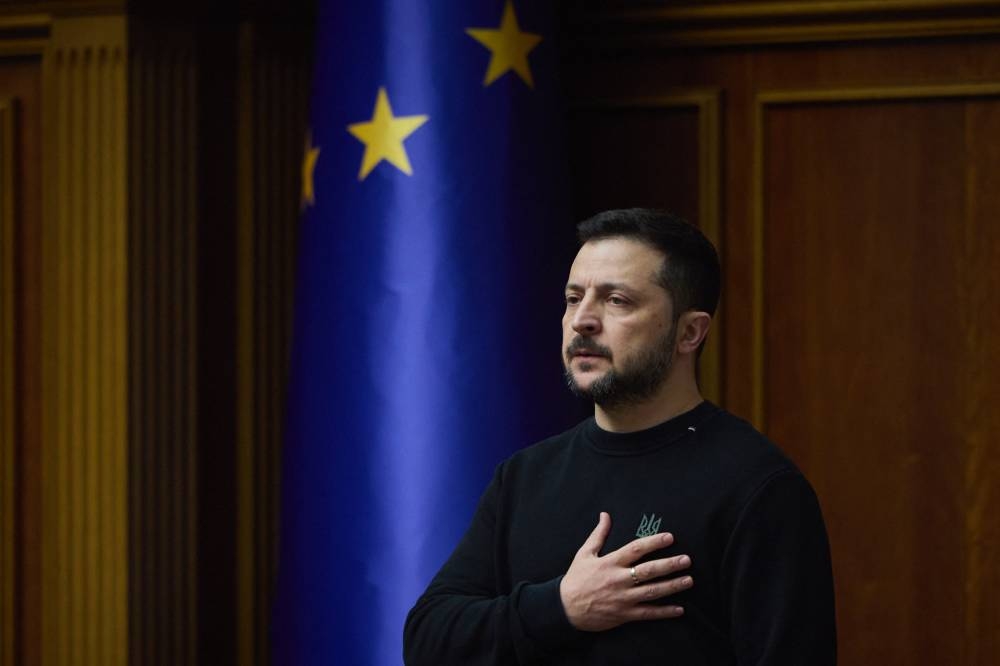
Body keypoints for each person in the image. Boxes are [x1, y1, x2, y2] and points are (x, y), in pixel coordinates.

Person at [404, 208, 837, 665]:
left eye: (617, 301)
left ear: (689, 332)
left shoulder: (757, 487)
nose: (582, 321)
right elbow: (428, 642)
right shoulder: (525, 476)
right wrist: (562, 608)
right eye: (574, 298)